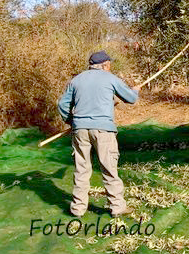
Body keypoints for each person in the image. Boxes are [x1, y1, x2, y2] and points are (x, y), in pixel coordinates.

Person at [58, 50, 139, 218]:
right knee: (109, 168)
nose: (110, 66)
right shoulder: (110, 78)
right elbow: (131, 98)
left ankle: (78, 209)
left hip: (80, 130)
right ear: (105, 65)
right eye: (109, 64)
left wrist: (72, 121)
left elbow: (62, 104)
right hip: (103, 130)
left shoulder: (77, 80)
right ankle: (117, 207)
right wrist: (135, 90)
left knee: (81, 169)